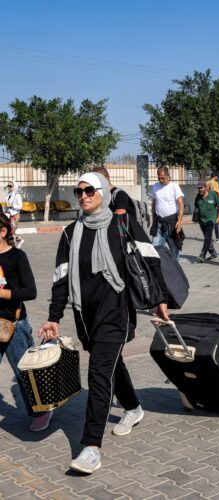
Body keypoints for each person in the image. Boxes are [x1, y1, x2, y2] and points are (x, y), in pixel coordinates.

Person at [38, 173, 169, 474]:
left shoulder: (122, 225)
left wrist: (160, 299)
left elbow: (151, 260)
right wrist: (54, 316)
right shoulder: (71, 233)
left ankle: (91, 447)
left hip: (116, 312)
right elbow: (61, 278)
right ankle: (134, 408)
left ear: (104, 192)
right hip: (85, 315)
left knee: (98, 372)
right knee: (110, 364)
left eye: (89, 190)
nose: (83, 196)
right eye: (78, 191)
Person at [0, 214, 50, 431]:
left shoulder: (17, 257)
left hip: (14, 324)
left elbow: (30, 291)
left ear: (3, 232)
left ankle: (42, 411)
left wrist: (2, 294)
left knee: (25, 373)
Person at [150, 167, 184, 262]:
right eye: (159, 178)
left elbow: (181, 204)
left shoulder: (174, 187)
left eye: (163, 178)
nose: (161, 180)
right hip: (159, 223)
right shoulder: (155, 186)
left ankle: (176, 272)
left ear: (168, 176)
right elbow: (154, 203)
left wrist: (180, 221)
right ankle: (159, 272)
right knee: (155, 248)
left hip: (171, 223)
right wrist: (153, 220)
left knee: (174, 250)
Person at [193, 181, 219, 263]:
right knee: (207, 238)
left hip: (211, 219)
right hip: (202, 220)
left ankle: (202, 254)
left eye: (201, 187)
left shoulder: (213, 194)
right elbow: (196, 207)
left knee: (207, 237)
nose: (199, 189)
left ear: (206, 187)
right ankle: (213, 253)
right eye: (198, 188)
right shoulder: (198, 197)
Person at [4, 181, 23, 249]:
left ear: (14, 187)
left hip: (15, 215)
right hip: (9, 215)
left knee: (11, 231)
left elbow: (20, 206)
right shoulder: (8, 196)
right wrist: (3, 213)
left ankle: (13, 246)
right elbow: (6, 206)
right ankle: (18, 240)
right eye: (8, 186)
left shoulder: (17, 195)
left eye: (10, 186)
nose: (9, 187)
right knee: (10, 231)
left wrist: (12, 205)